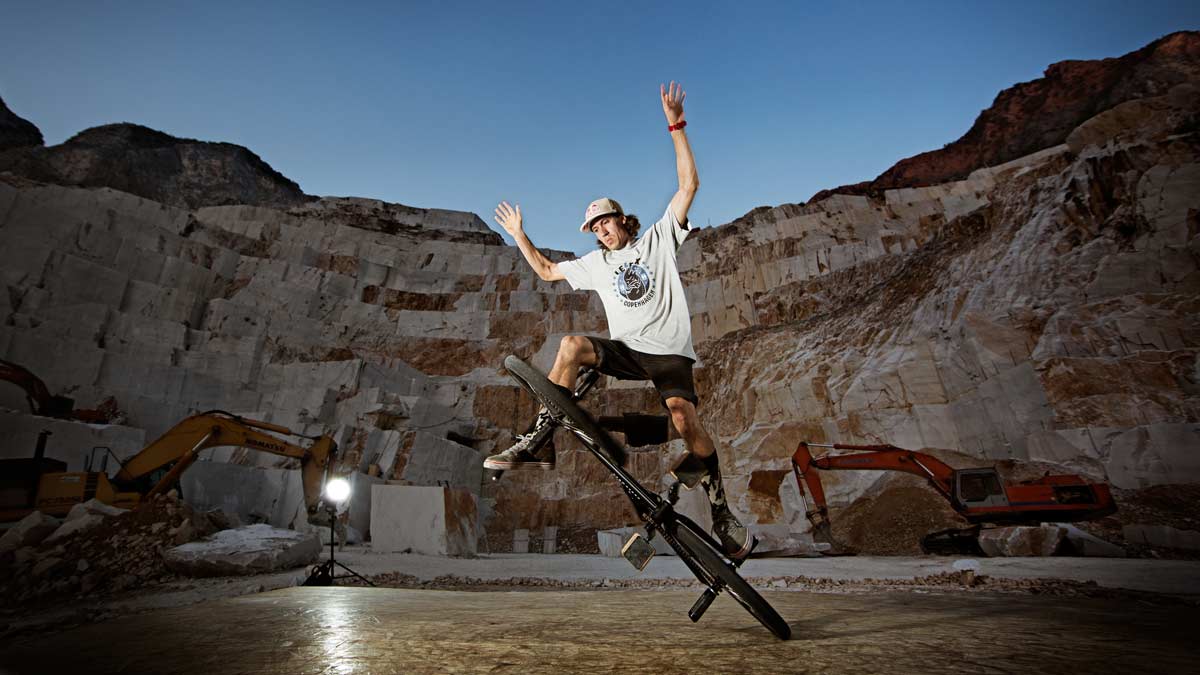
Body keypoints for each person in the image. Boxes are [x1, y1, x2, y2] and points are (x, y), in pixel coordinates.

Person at [483, 82, 755, 560]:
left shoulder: (657, 239)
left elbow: (689, 185)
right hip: (627, 351)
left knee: (684, 421)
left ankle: (722, 514)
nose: (601, 233)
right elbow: (547, 272)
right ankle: (538, 439)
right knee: (570, 345)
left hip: (669, 353)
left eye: (605, 223)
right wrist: (520, 235)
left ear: (622, 219)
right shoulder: (594, 264)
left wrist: (676, 127)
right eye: (593, 229)